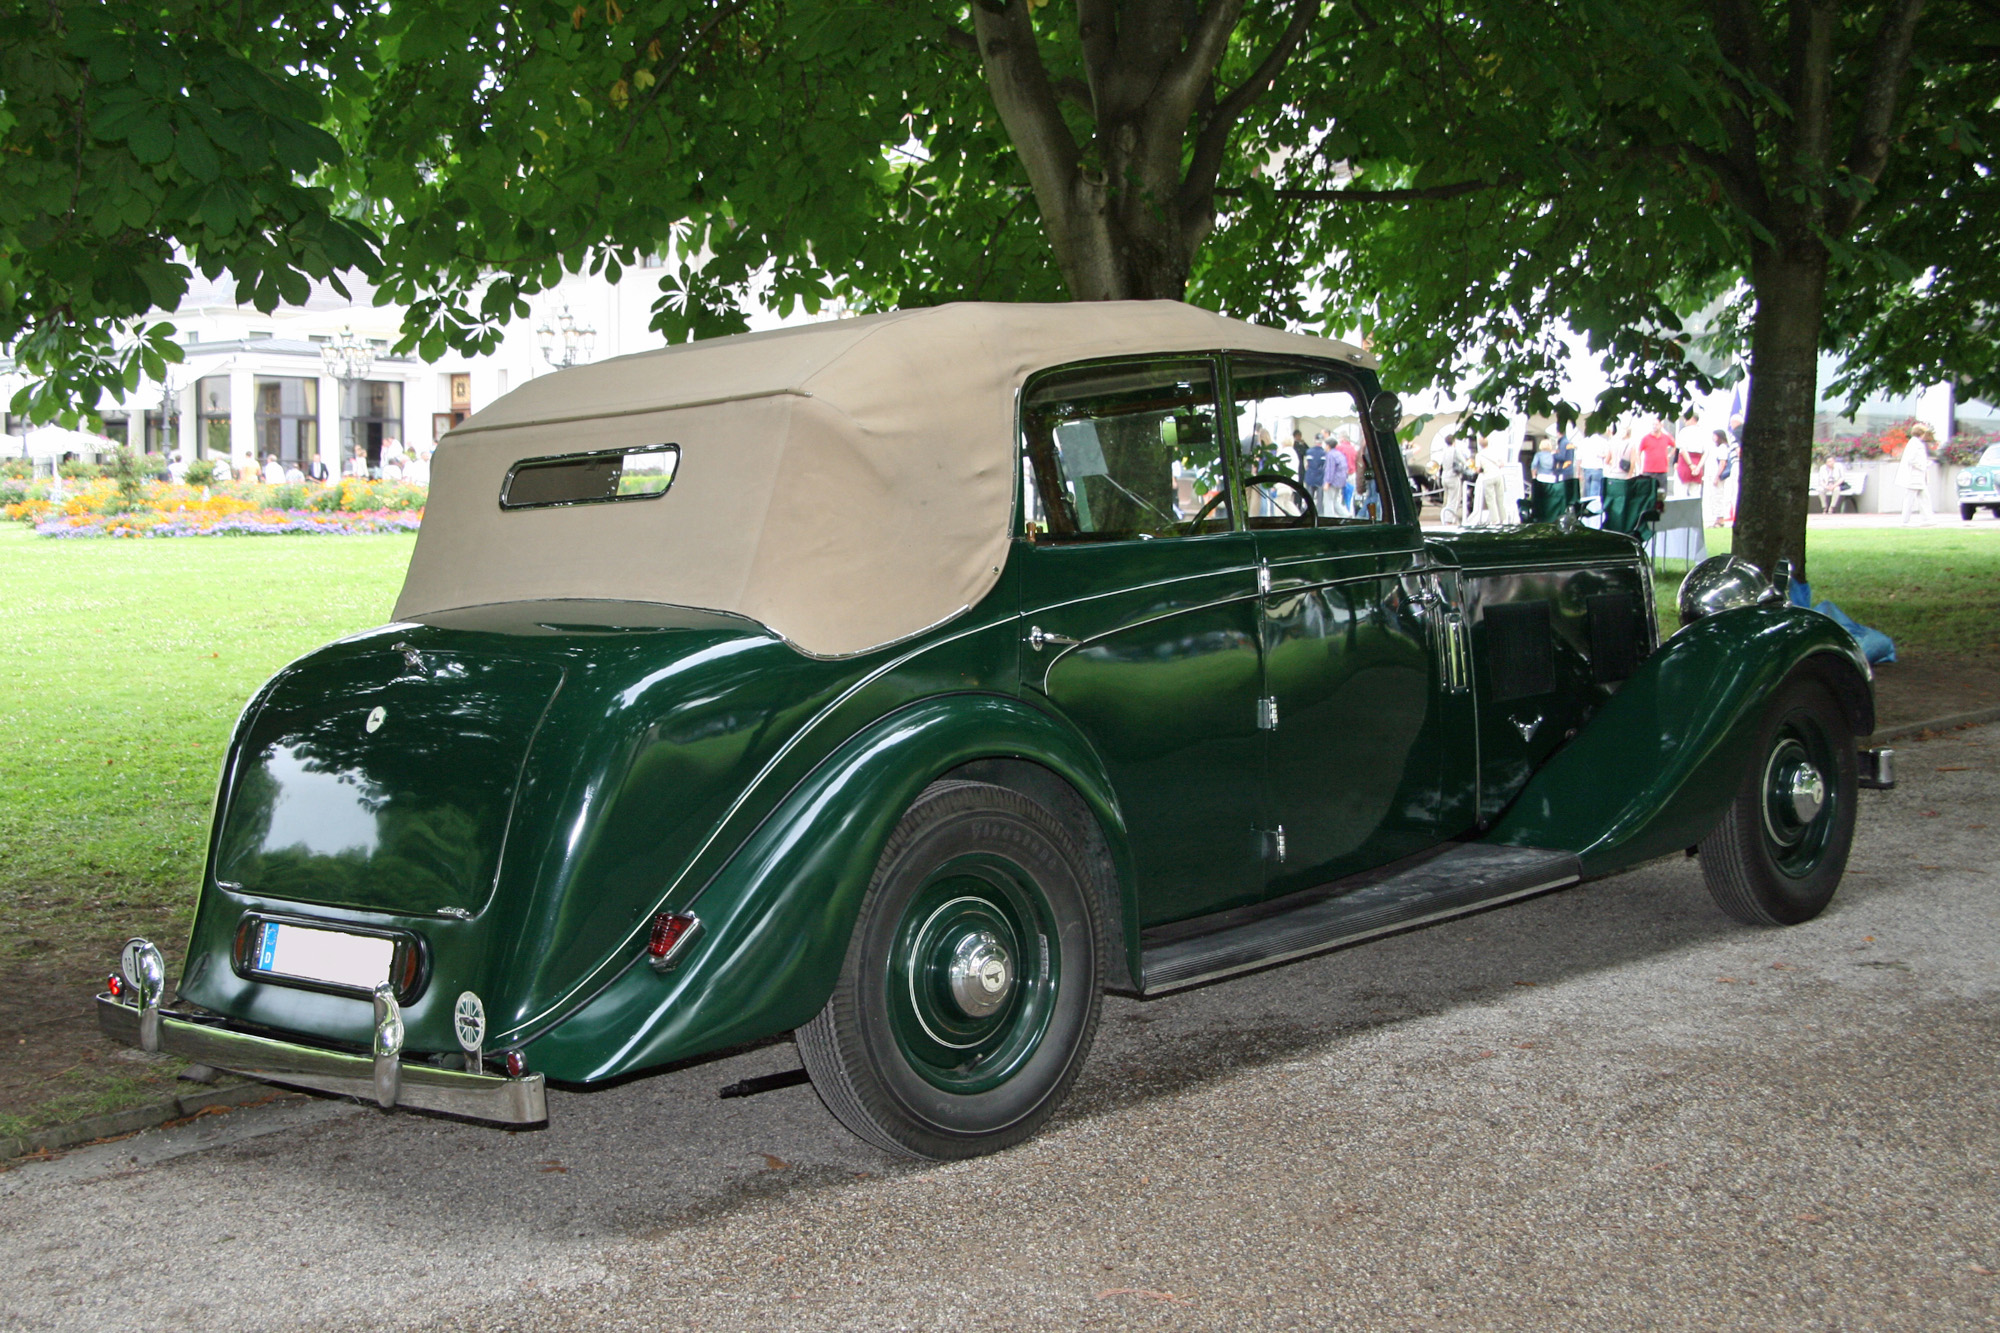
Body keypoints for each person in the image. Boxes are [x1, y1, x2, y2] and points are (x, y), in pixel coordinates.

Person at [1899, 424, 1934, 525]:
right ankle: (1905, 520)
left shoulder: (1916, 443)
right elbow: (1911, 459)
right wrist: (1923, 466)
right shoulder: (1915, 444)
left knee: (1924, 497)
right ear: (1921, 433)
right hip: (1914, 476)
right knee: (1910, 498)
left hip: (1918, 477)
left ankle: (1927, 519)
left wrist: (1925, 464)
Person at [1475, 434, 1513, 525]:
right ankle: (1503, 518)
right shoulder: (1495, 451)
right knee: (1500, 498)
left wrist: (1482, 470)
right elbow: (1502, 463)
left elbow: (1477, 469)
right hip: (1498, 475)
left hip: (1487, 477)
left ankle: (1494, 519)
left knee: (1490, 500)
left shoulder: (1479, 455)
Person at [1638, 418, 1675, 485]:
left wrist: (1669, 455)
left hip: (1662, 471)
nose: (1654, 426)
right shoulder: (1646, 438)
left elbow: (1675, 445)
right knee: (1648, 492)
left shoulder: (1666, 437)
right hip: (1648, 471)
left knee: (1662, 492)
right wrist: (1640, 467)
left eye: (1657, 424)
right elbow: (1638, 453)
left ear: (1661, 425)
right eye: (1653, 424)